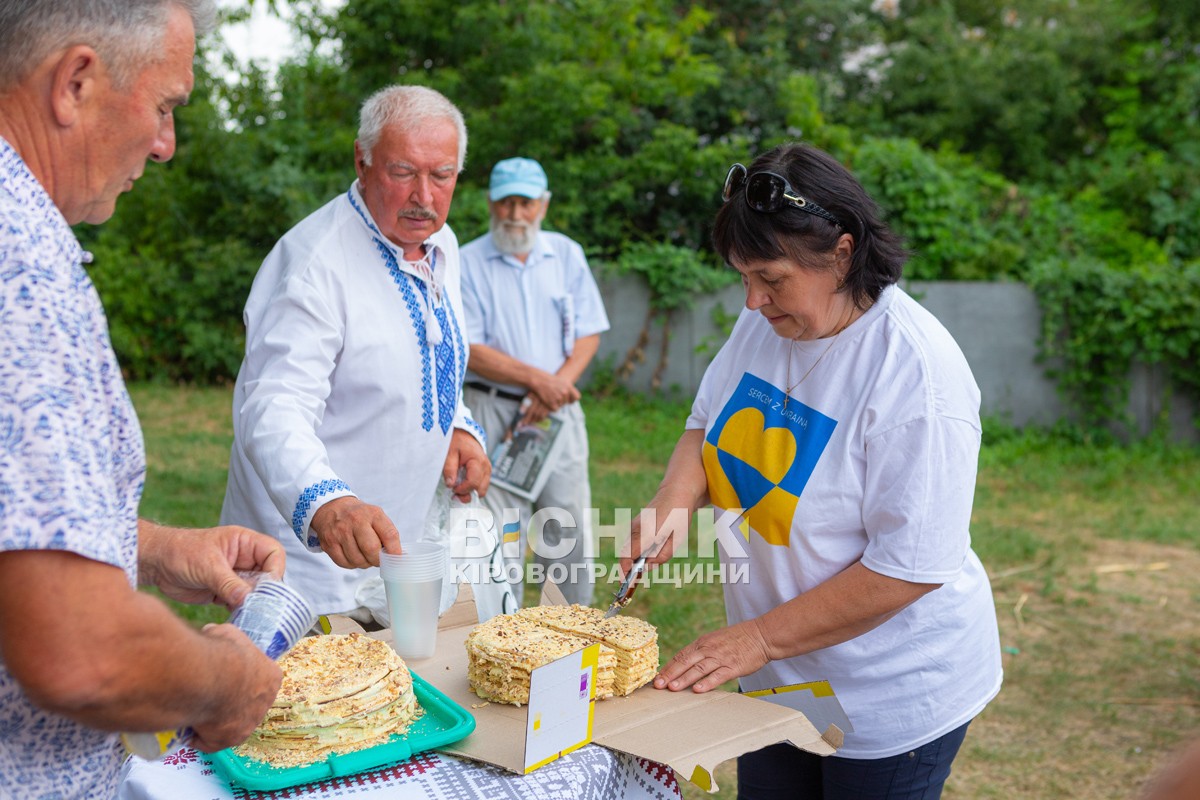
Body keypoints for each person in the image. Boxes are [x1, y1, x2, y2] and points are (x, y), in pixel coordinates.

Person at [622, 142, 1002, 799]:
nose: (752, 302)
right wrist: (672, 501)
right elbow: (705, 427)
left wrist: (760, 639)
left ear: (841, 253)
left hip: (888, 697)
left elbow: (905, 569)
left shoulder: (916, 376)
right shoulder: (769, 327)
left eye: (770, 279)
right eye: (744, 278)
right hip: (779, 684)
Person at [0, 2, 286, 797]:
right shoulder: (21, 270)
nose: (166, 146)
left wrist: (148, 548)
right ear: (76, 82)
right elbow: (80, 650)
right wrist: (222, 682)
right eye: (164, 108)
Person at [220, 85, 491, 624]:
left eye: (442, 175)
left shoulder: (442, 245)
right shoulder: (313, 263)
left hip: (398, 545)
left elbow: (428, 355)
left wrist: (458, 426)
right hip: (306, 565)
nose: (424, 196)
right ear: (361, 162)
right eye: (403, 172)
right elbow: (274, 408)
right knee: (304, 705)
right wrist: (328, 504)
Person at [460, 157, 609, 607]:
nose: (515, 213)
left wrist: (555, 387)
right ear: (490, 202)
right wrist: (538, 381)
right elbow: (469, 347)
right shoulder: (465, 261)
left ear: (543, 204)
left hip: (557, 414)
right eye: (506, 202)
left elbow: (588, 330)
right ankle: (499, 640)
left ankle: (569, 636)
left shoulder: (565, 253)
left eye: (525, 202)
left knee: (566, 531)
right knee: (499, 536)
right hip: (492, 412)